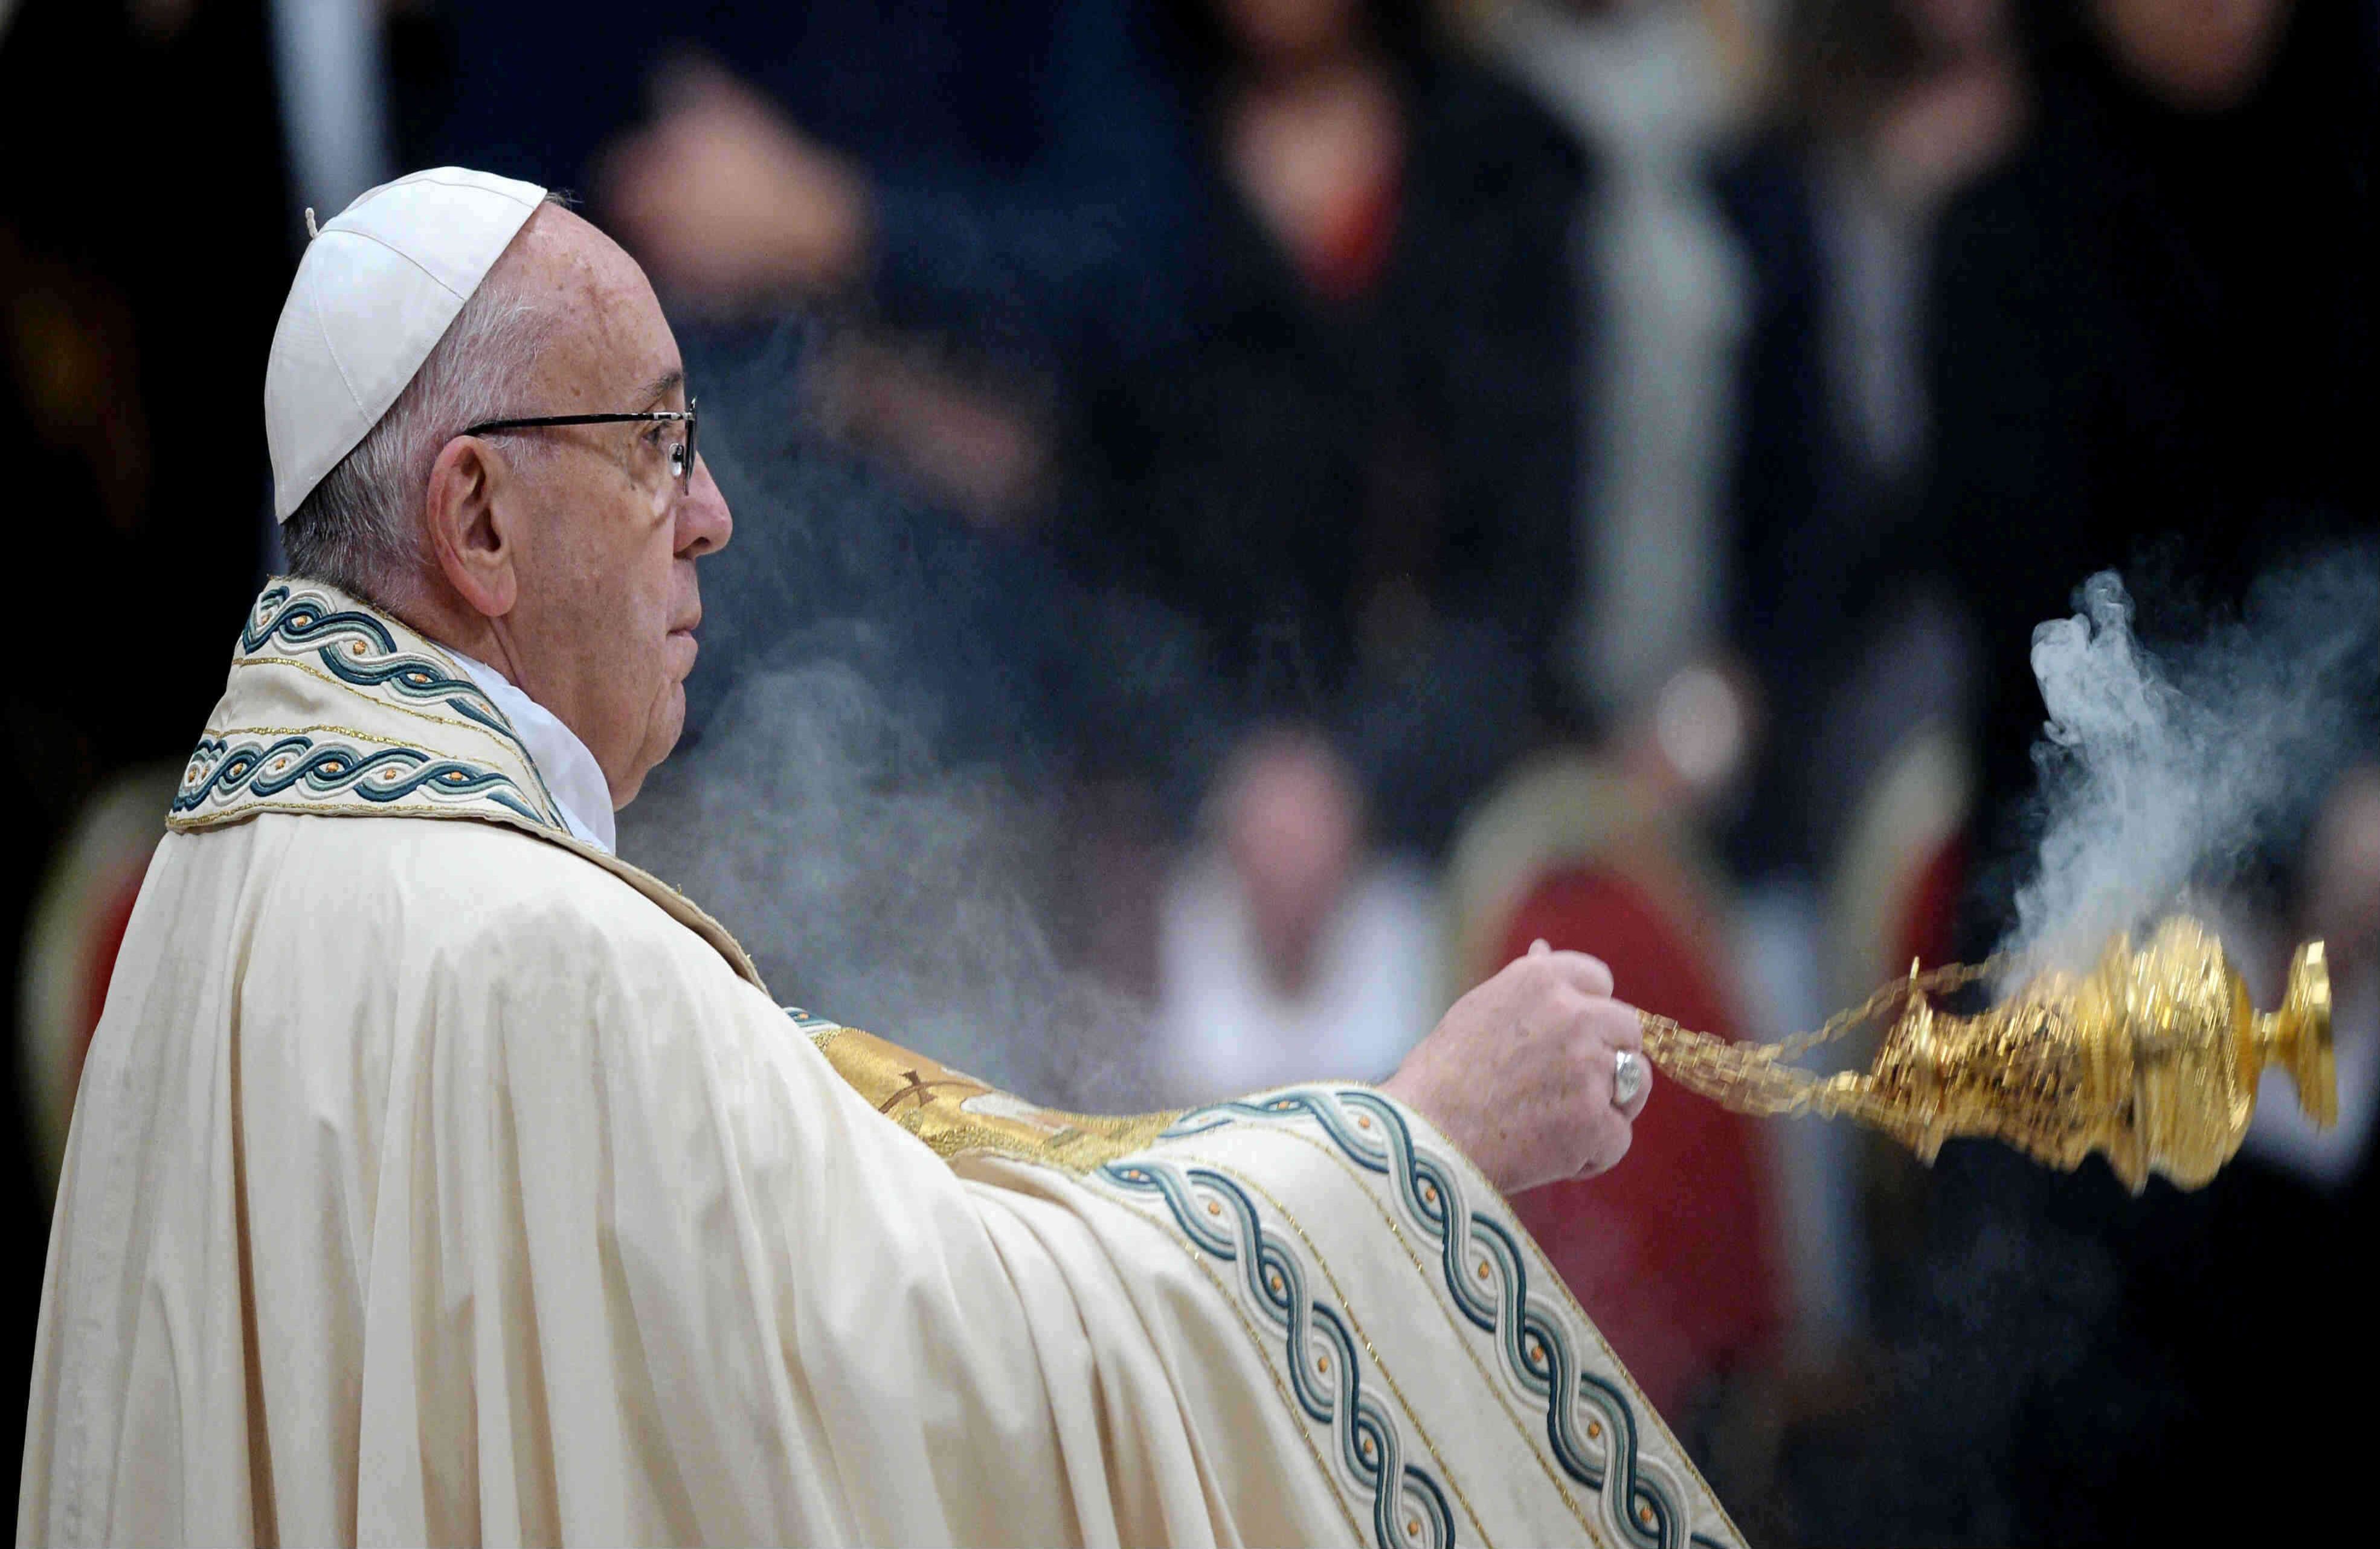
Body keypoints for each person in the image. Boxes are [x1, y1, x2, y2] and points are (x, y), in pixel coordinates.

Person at [16, 168, 1735, 1547]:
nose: (714, 515)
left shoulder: (208, 898)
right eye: (654, 445)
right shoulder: (538, 952)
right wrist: (1408, 1150)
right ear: (473, 521)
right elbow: (968, 1386)